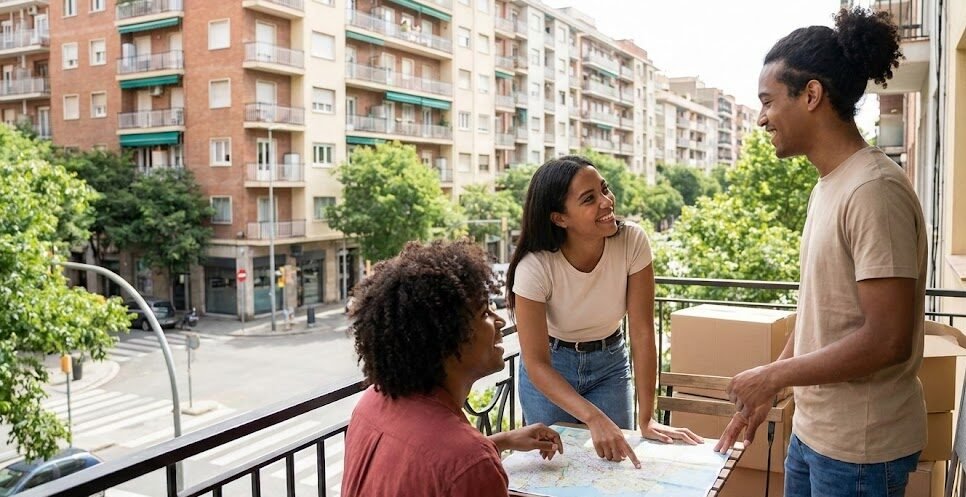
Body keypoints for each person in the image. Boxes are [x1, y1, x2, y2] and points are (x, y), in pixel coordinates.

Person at [714, 7, 926, 497]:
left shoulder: (873, 190)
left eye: (768, 101)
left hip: (859, 452)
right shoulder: (829, 185)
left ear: (811, 95)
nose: (761, 118)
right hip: (814, 433)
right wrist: (772, 386)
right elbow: (819, 312)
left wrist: (773, 375)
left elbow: (887, 340)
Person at [507, 155, 701, 468]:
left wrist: (647, 418)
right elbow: (537, 363)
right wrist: (594, 418)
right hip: (552, 369)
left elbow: (642, 331)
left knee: (614, 466)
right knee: (553, 472)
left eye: (604, 189)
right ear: (560, 218)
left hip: (609, 366)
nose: (607, 201)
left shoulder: (632, 241)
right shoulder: (535, 266)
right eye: (589, 199)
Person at [341, 240, 563, 497]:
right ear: (448, 338)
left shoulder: (371, 402)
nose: (500, 321)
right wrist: (480, 456)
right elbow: (461, 466)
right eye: (484, 313)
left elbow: (423, 464)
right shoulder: (469, 462)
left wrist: (502, 441)